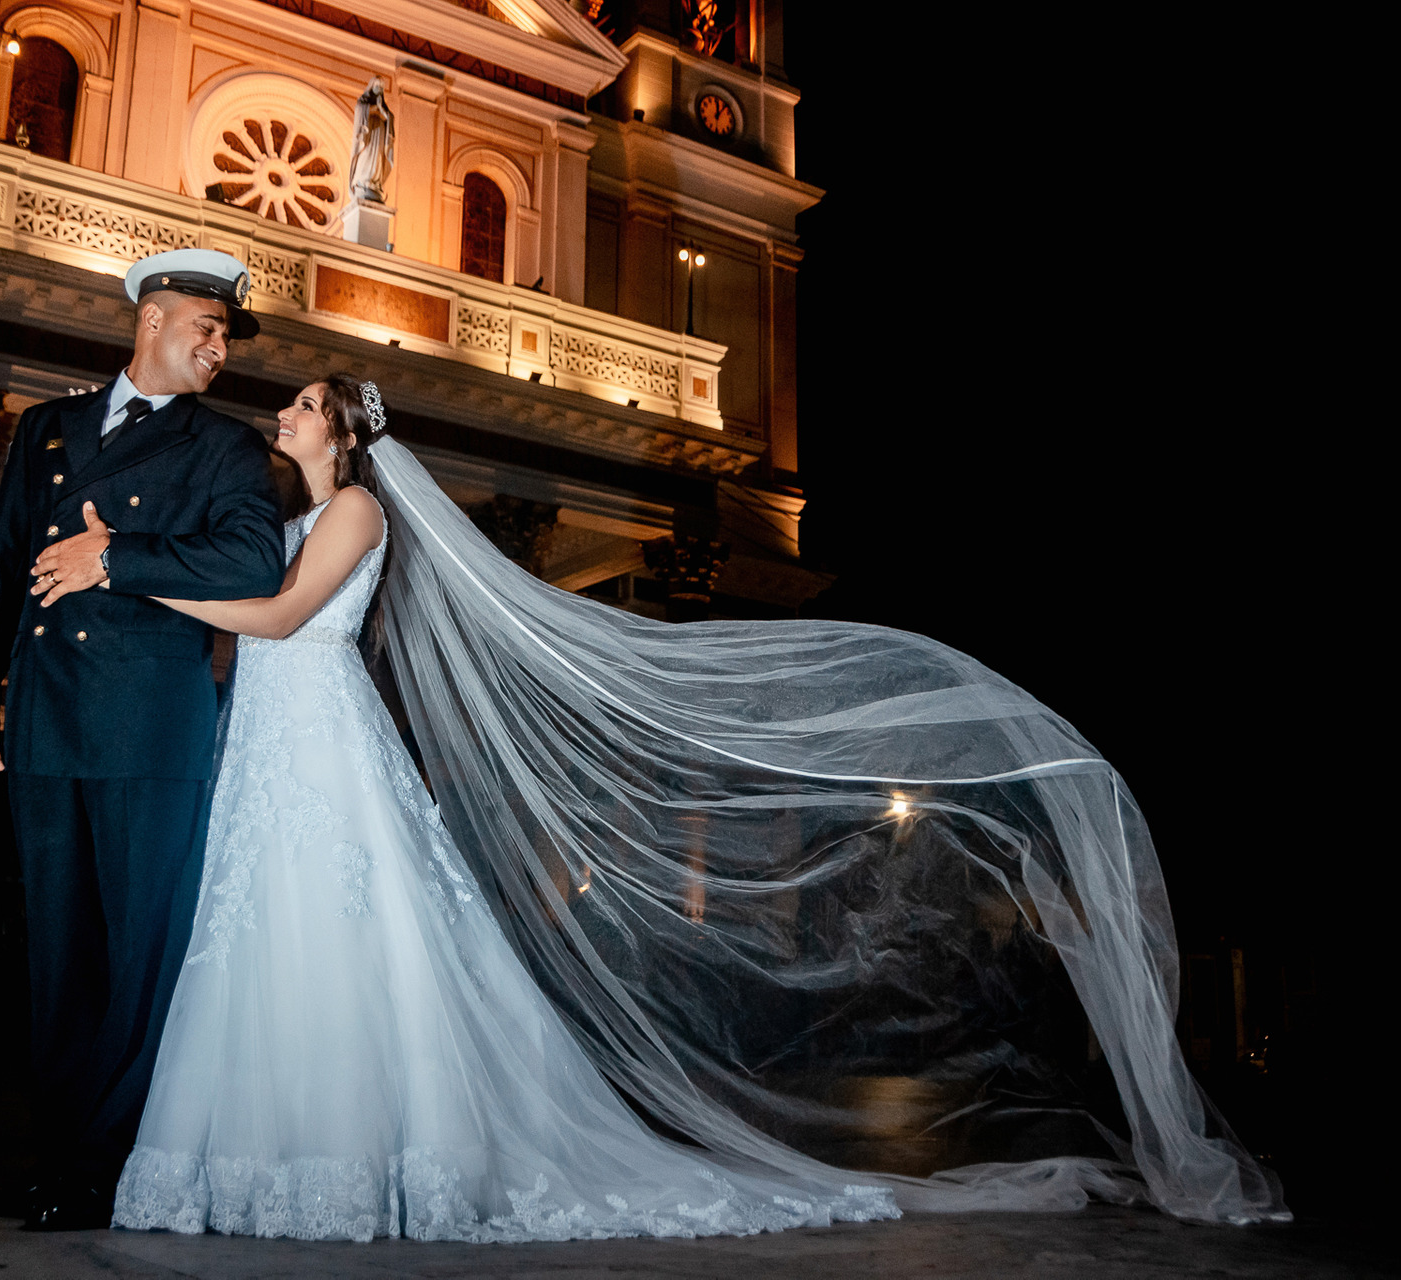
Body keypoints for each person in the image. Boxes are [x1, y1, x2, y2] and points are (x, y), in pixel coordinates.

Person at [96, 375, 1287, 1238]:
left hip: (323, 750)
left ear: (346, 435)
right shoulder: (287, 518)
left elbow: (286, 617)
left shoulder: (353, 512)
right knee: (269, 941)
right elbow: (248, 595)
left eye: (306, 403)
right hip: (269, 748)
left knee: (346, 937)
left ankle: (372, 1157)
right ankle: (272, 1156)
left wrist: (129, 572)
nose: (286, 412)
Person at [0, 248, 285, 1231]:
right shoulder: (44, 428)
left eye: (224, 336)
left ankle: (105, 1169)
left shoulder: (222, 448)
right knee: (58, 956)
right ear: (152, 319)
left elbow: (254, 559)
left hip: (151, 725)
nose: (218, 351)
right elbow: (0, 562)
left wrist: (116, 555)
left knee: (138, 957)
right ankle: (55, 1155)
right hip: (48, 720)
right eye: (206, 329)